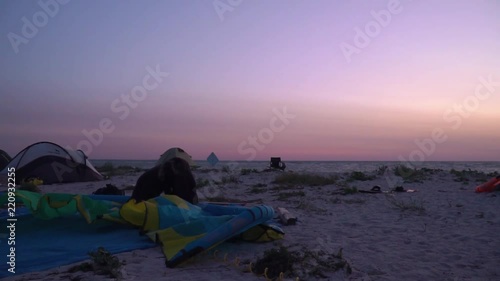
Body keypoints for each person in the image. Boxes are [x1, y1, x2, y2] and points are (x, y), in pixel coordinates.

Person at [131, 157, 198, 203]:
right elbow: (171, 193)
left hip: (143, 195)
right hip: (144, 198)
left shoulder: (171, 170)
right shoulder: (169, 172)